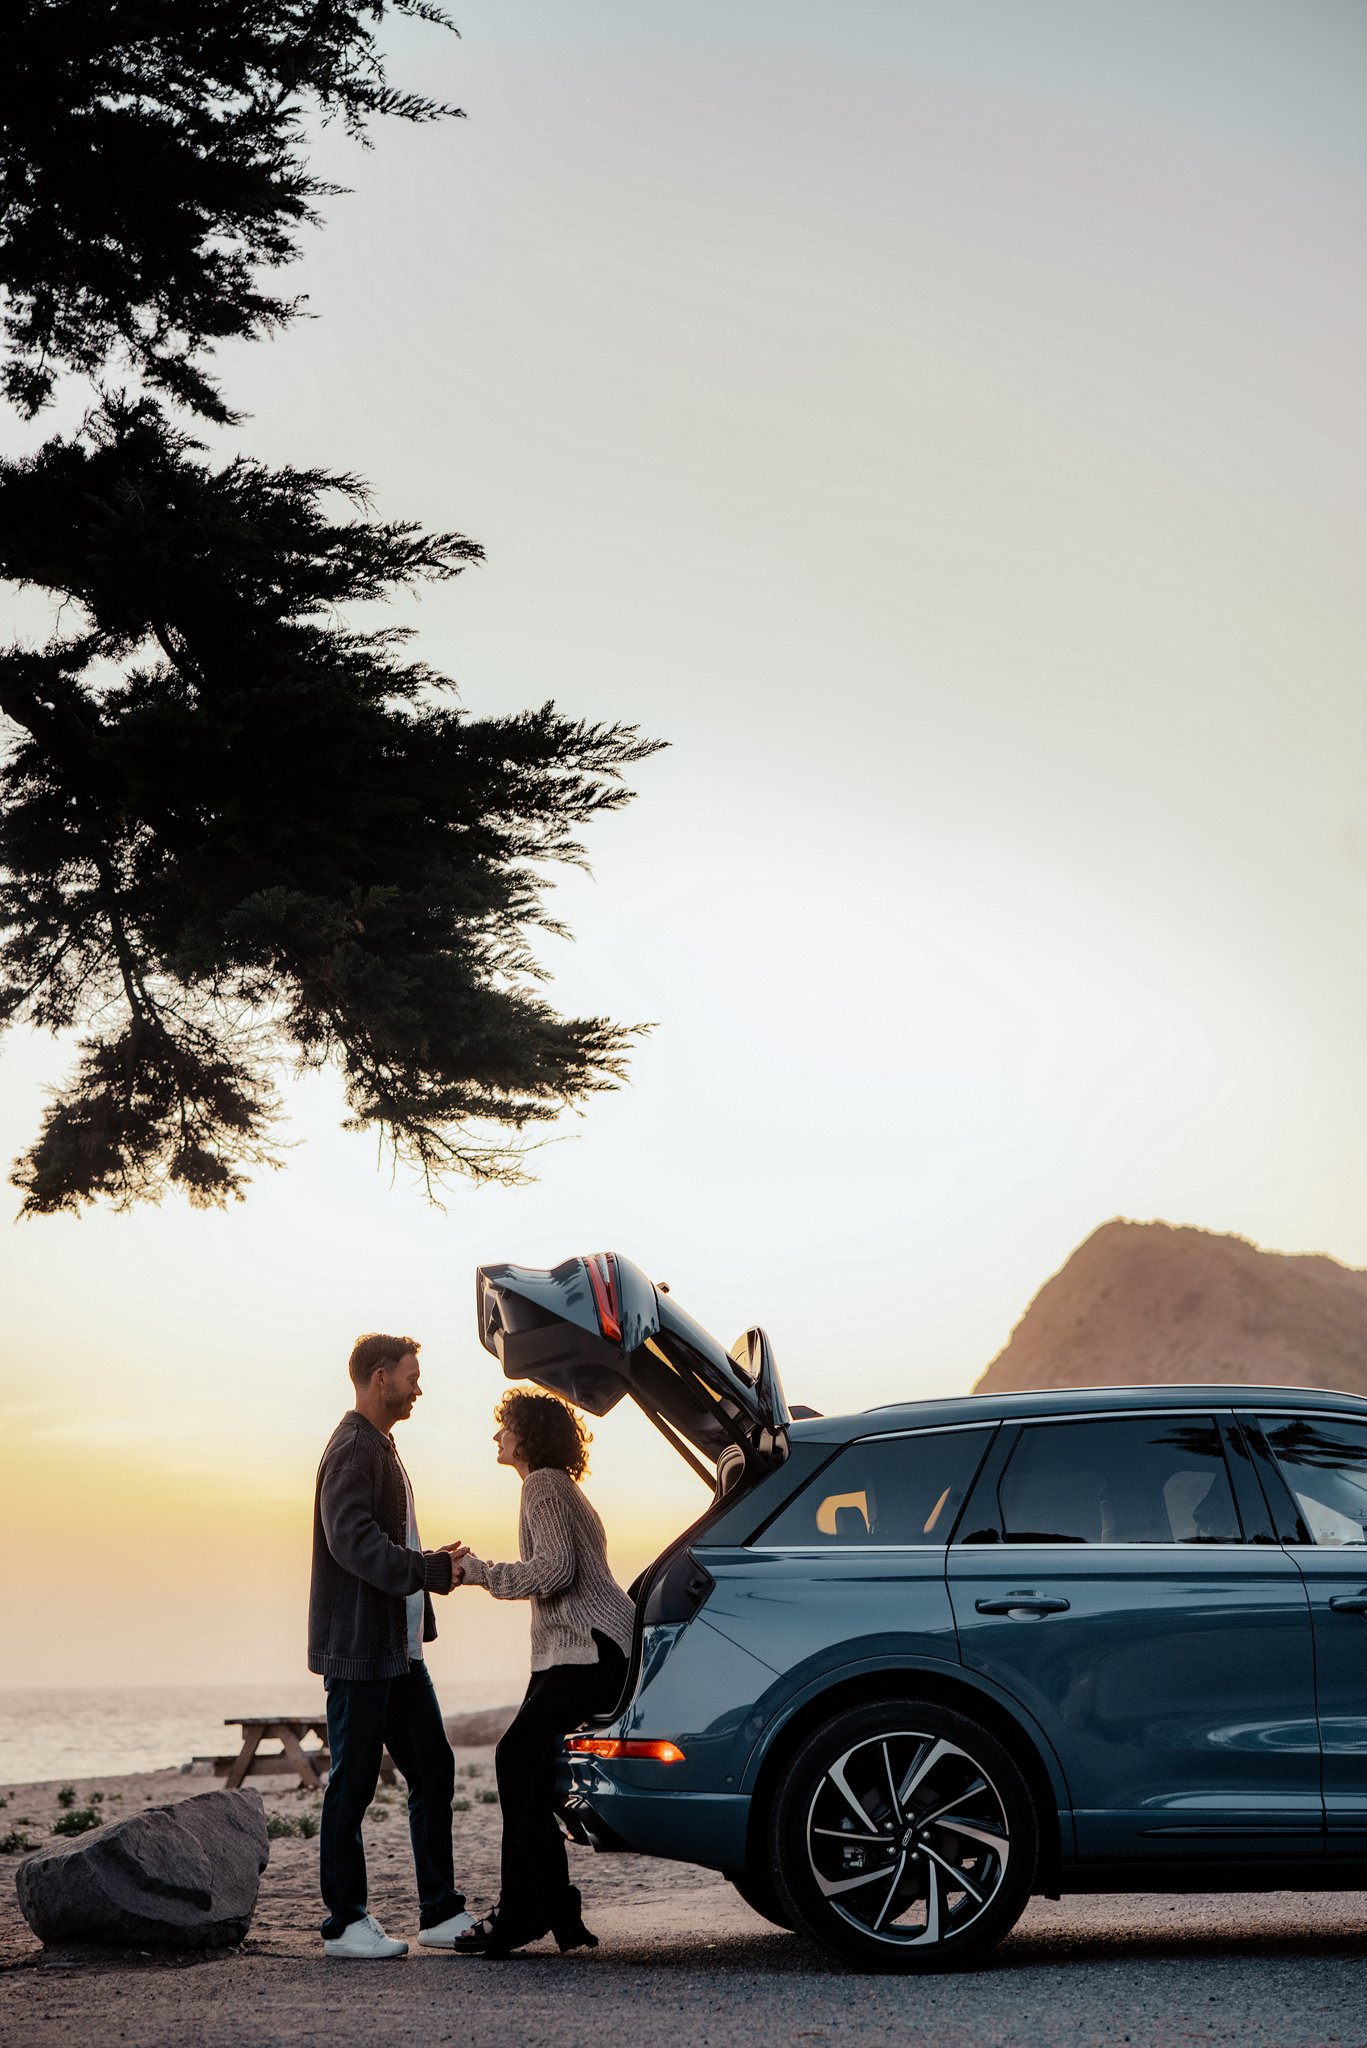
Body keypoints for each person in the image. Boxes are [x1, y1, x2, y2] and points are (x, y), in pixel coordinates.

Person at [444, 1390, 634, 1957]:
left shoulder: (543, 1484)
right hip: (582, 1648)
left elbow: (553, 1572)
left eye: (505, 1428)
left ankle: (529, 1908)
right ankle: (551, 1906)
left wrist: (477, 1572)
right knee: (531, 1765)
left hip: (591, 1649)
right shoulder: (557, 1485)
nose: (497, 1437)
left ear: (527, 1436)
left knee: (513, 1757)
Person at [309, 1331, 473, 1959]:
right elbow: (350, 1539)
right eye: (411, 1376)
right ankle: (344, 1924)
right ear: (380, 1378)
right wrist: (426, 1570)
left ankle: (440, 1913)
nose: (418, 1387)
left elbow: (385, 1539)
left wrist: (430, 1569)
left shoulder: (380, 1445)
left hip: (398, 1651)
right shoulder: (354, 1448)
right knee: (352, 1783)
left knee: (434, 1768)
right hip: (360, 1650)